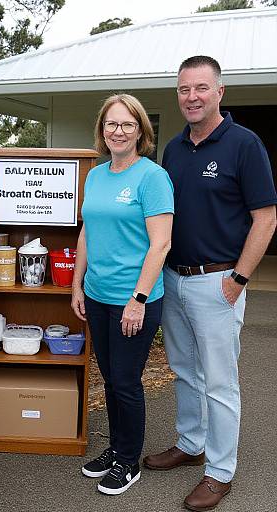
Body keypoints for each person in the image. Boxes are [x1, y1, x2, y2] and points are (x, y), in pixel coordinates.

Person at [143, 56, 277, 511]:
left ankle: (220, 471)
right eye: (184, 89)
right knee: (183, 369)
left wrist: (239, 278)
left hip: (218, 281)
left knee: (220, 382)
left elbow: (266, 218)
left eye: (202, 88)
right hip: (173, 279)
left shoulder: (244, 144)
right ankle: (190, 442)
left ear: (220, 92)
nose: (192, 97)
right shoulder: (174, 150)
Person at [71, 94, 174, 495]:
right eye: (112, 124)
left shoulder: (152, 177)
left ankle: (129, 461)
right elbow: (87, 233)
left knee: (127, 381)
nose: (119, 131)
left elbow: (160, 244)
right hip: (97, 295)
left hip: (135, 299)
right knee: (111, 380)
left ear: (141, 132)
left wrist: (139, 299)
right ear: (102, 130)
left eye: (128, 125)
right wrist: (77, 283)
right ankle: (116, 450)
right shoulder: (96, 176)